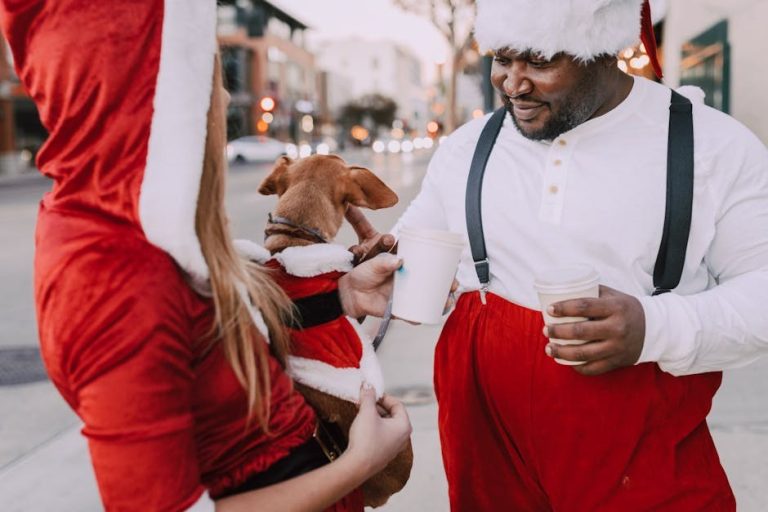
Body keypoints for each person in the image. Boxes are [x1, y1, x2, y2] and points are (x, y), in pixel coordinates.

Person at [350, 0, 768, 510]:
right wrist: (390, 271)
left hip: (642, 461)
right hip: (487, 448)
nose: (512, 83)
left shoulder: (714, 146)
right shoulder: (467, 147)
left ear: (604, 50)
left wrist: (652, 326)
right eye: (503, 58)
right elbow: (423, 249)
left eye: (540, 61)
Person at [0, 2, 411, 511]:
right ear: (155, 97)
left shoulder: (152, 230)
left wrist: (341, 294)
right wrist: (360, 463)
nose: (220, 95)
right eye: (205, 73)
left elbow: (212, 337)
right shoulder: (113, 274)